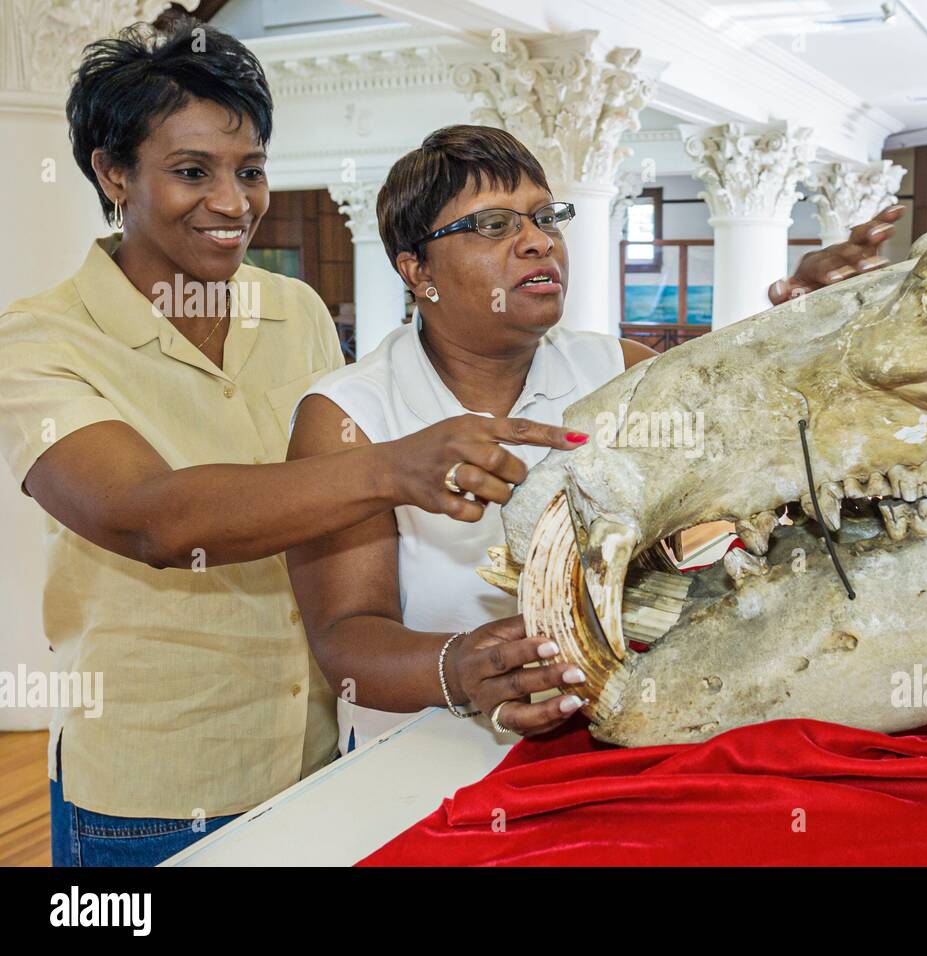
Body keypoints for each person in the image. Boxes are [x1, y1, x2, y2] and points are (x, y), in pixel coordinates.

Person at [0, 20, 582, 867]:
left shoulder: (294, 310)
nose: (234, 203)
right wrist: (391, 465)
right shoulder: (38, 342)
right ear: (113, 173)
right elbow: (146, 519)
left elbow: (332, 531)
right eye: (193, 173)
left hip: (322, 757)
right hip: (151, 786)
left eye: (251, 171)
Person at [286, 125, 906, 753]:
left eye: (545, 217)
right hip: (418, 764)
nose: (537, 242)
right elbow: (345, 637)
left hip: (609, 740)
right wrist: (459, 669)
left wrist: (814, 328)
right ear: (417, 269)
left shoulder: (619, 372)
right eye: (495, 226)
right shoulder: (349, 415)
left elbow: (764, 449)